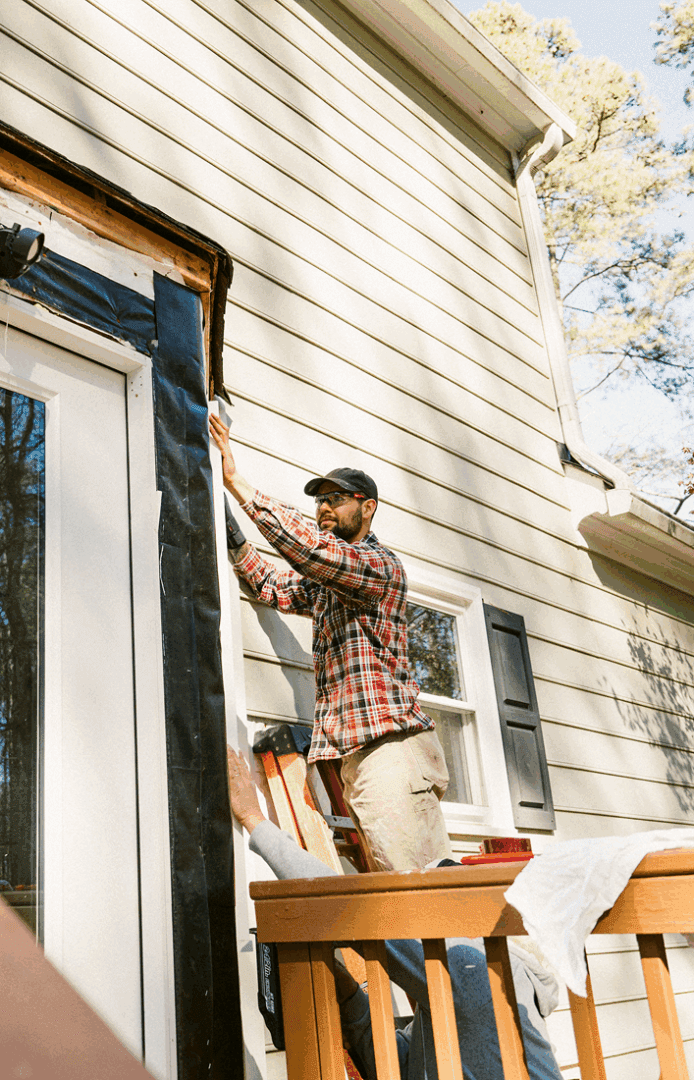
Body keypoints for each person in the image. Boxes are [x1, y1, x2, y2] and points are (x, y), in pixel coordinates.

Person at [228, 746, 563, 1080]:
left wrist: (255, 820)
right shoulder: (466, 986)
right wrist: (350, 996)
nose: (407, 919)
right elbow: (406, 1068)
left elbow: (343, 904)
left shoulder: (473, 968)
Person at [208, 412, 449, 871]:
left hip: (392, 753)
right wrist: (232, 535)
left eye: (335, 499)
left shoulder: (377, 566)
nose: (323, 508)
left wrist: (236, 483)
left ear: (368, 507)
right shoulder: (331, 583)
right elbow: (273, 587)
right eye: (319, 500)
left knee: (416, 887)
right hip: (363, 758)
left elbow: (312, 553)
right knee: (394, 886)